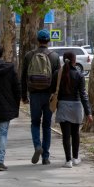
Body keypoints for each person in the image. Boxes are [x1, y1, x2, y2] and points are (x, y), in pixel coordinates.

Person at [21, 29, 60, 165]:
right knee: (47, 125)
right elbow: (58, 78)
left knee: (35, 123)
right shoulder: (54, 56)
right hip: (49, 95)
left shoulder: (29, 55)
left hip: (34, 94)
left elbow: (23, 77)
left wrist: (23, 96)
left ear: (37, 41)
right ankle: (46, 157)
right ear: (48, 41)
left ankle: (37, 146)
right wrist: (56, 96)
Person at [54, 52, 93, 168]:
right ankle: (75, 158)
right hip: (76, 107)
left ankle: (68, 161)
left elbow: (53, 91)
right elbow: (83, 95)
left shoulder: (57, 74)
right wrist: (88, 112)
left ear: (64, 59)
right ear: (74, 61)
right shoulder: (79, 75)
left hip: (63, 106)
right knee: (75, 133)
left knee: (66, 135)